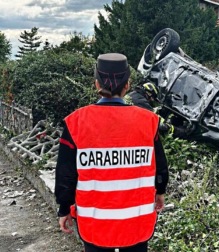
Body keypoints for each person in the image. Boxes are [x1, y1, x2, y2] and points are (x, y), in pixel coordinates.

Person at [54, 53, 169, 252]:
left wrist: (64, 208)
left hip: (94, 225)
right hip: (137, 224)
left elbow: (65, 174)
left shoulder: (76, 123)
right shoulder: (148, 121)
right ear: (127, 85)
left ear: (96, 84)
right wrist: (160, 191)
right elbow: (160, 165)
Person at [126, 82, 190, 138]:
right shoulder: (140, 101)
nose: (152, 100)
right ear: (149, 93)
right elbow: (157, 121)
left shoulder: (132, 95)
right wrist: (178, 131)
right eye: (153, 97)